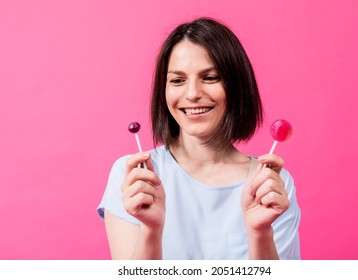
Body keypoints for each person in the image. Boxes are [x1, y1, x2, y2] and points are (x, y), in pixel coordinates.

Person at [97, 17, 300, 260]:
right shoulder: (134, 177)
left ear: (236, 86)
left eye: (210, 77)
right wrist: (151, 230)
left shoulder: (271, 184)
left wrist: (260, 233)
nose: (192, 94)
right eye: (177, 80)